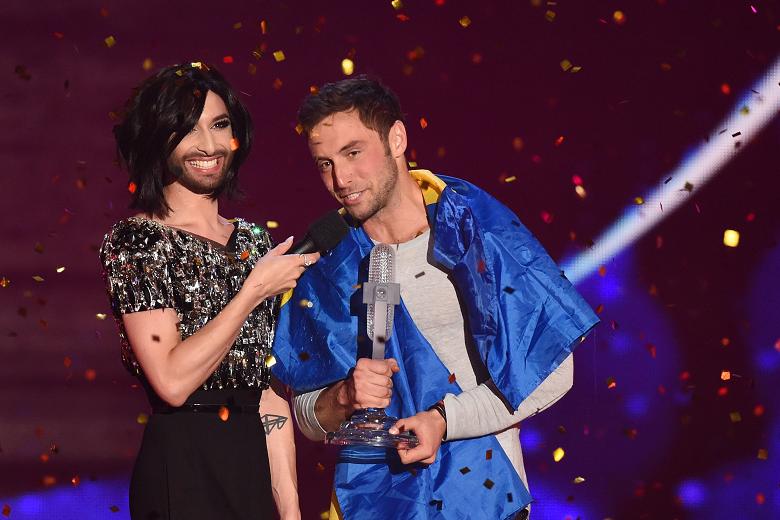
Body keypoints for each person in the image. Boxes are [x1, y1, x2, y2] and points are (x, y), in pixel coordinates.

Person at [270, 76, 599, 519]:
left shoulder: (472, 229)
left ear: (397, 138)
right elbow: (308, 416)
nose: (340, 178)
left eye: (353, 153)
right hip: (373, 504)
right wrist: (345, 396)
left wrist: (443, 421)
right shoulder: (329, 265)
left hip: (483, 499)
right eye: (324, 163)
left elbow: (552, 372)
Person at [100, 62, 316, 520]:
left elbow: (268, 392)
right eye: (187, 130)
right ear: (158, 140)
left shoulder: (253, 242)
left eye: (219, 125)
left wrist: (291, 507)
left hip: (251, 468)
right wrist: (253, 289)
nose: (210, 145)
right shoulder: (138, 241)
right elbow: (173, 382)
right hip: (182, 468)